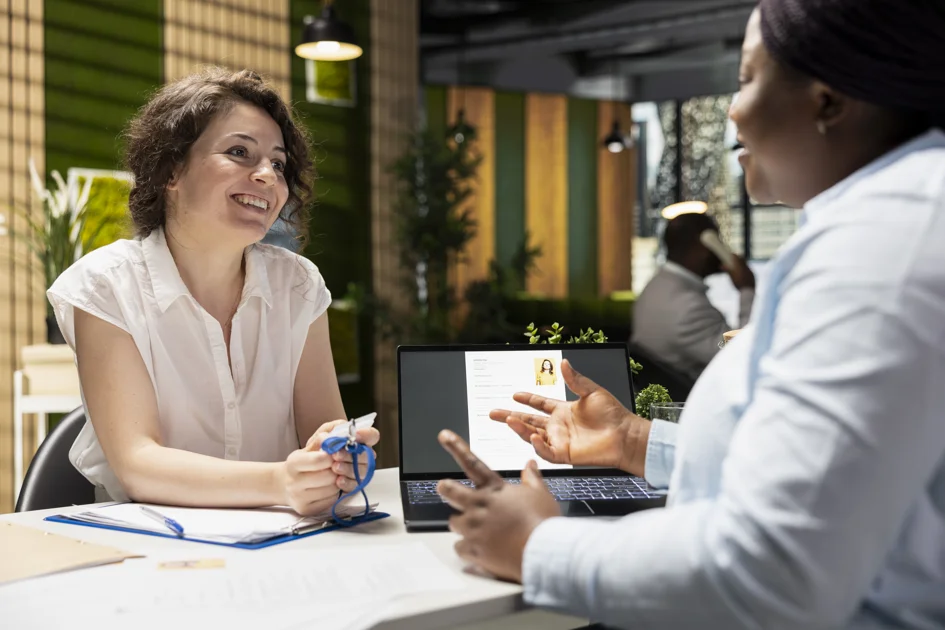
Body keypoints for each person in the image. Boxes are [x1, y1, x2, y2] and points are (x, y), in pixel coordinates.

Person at [435, 1, 945, 627]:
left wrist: (536, 546)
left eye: (746, 79)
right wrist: (633, 440)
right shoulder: (887, 226)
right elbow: (824, 480)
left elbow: (773, 572)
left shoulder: (881, 249)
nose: (732, 111)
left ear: (828, 101)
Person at [47, 67, 379, 516]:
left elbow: (323, 429)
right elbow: (138, 464)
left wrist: (338, 458)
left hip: (288, 538)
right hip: (152, 543)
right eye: (240, 152)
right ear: (171, 170)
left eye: (278, 164)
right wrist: (280, 481)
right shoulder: (104, 285)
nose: (267, 175)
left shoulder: (298, 285)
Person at [631, 212, 754, 382]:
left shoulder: (656, 286)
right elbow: (742, 353)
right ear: (704, 245)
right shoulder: (688, 307)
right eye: (718, 241)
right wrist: (747, 288)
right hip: (694, 395)